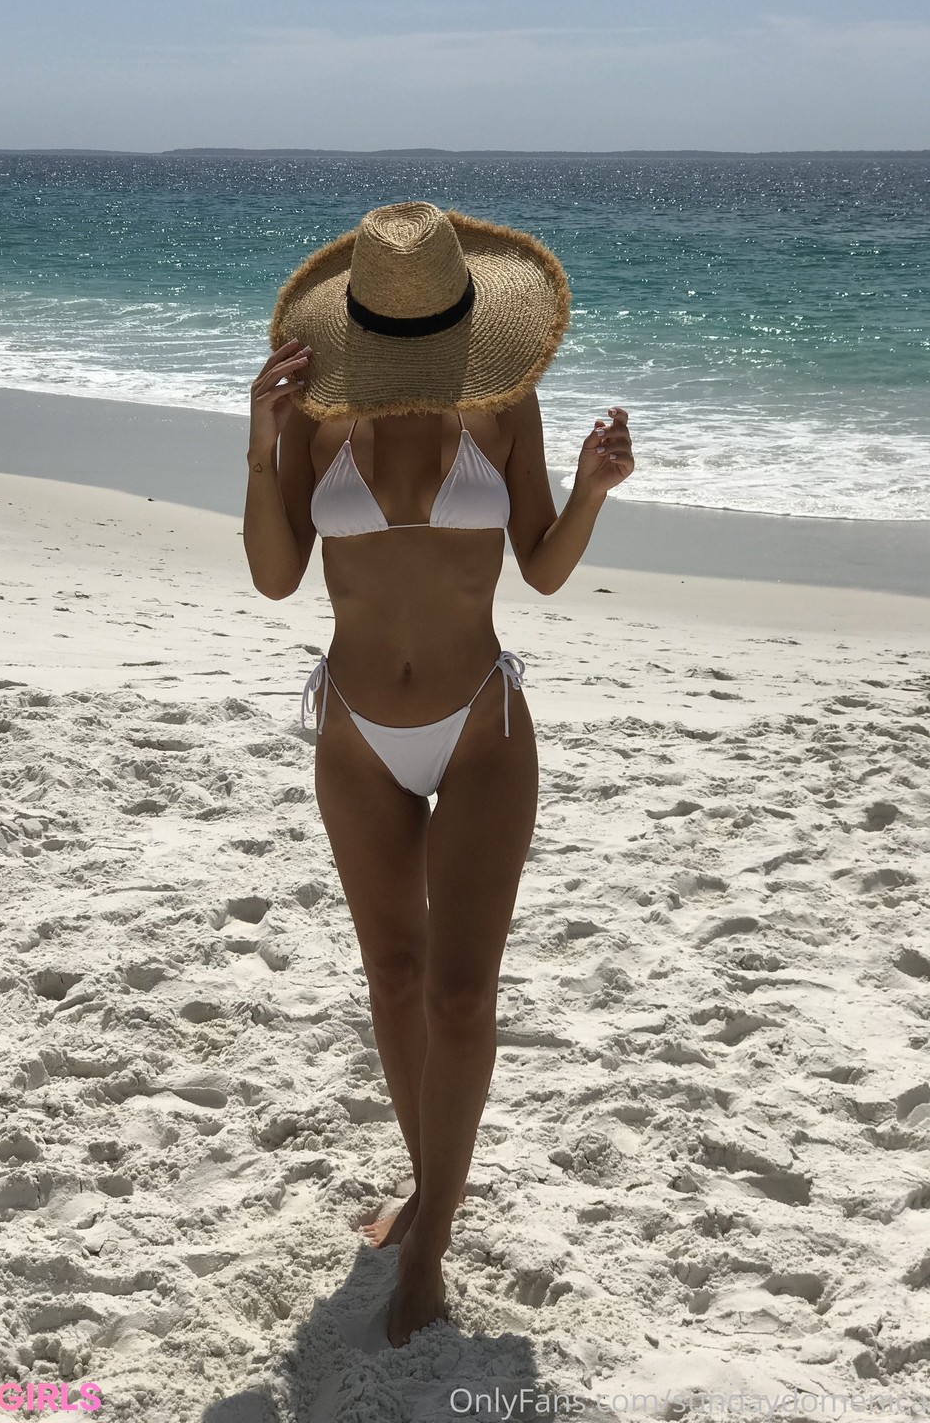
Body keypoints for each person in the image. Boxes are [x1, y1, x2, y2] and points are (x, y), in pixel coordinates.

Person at [243, 201, 635, 1348]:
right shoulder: (317, 417)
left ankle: (430, 1242)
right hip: (355, 732)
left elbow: (541, 568)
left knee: (461, 996)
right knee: (395, 979)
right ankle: (428, 1190)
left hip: (481, 728)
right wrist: (259, 444)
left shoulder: (506, 407)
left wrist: (594, 490)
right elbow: (275, 575)